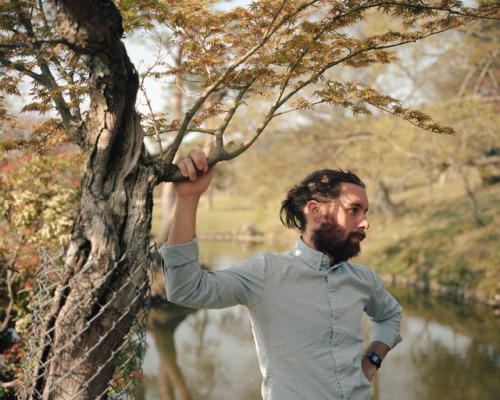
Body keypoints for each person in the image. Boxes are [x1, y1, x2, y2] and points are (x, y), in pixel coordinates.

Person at [159, 149, 403, 400]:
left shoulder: (364, 279)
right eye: (354, 210)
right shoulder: (266, 272)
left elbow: (390, 315)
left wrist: (372, 360)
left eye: (366, 212)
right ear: (316, 211)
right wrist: (188, 199)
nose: (365, 223)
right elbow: (185, 289)